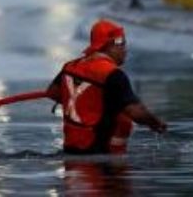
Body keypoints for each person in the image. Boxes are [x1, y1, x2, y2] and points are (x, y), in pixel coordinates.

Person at [46, 19, 167, 155]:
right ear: (110, 45)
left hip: (71, 149)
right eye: (122, 44)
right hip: (101, 155)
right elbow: (135, 112)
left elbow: (53, 93)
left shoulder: (70, 67)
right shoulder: (112, 74)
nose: (125, 49)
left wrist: (83, 102)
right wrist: (155, 123)